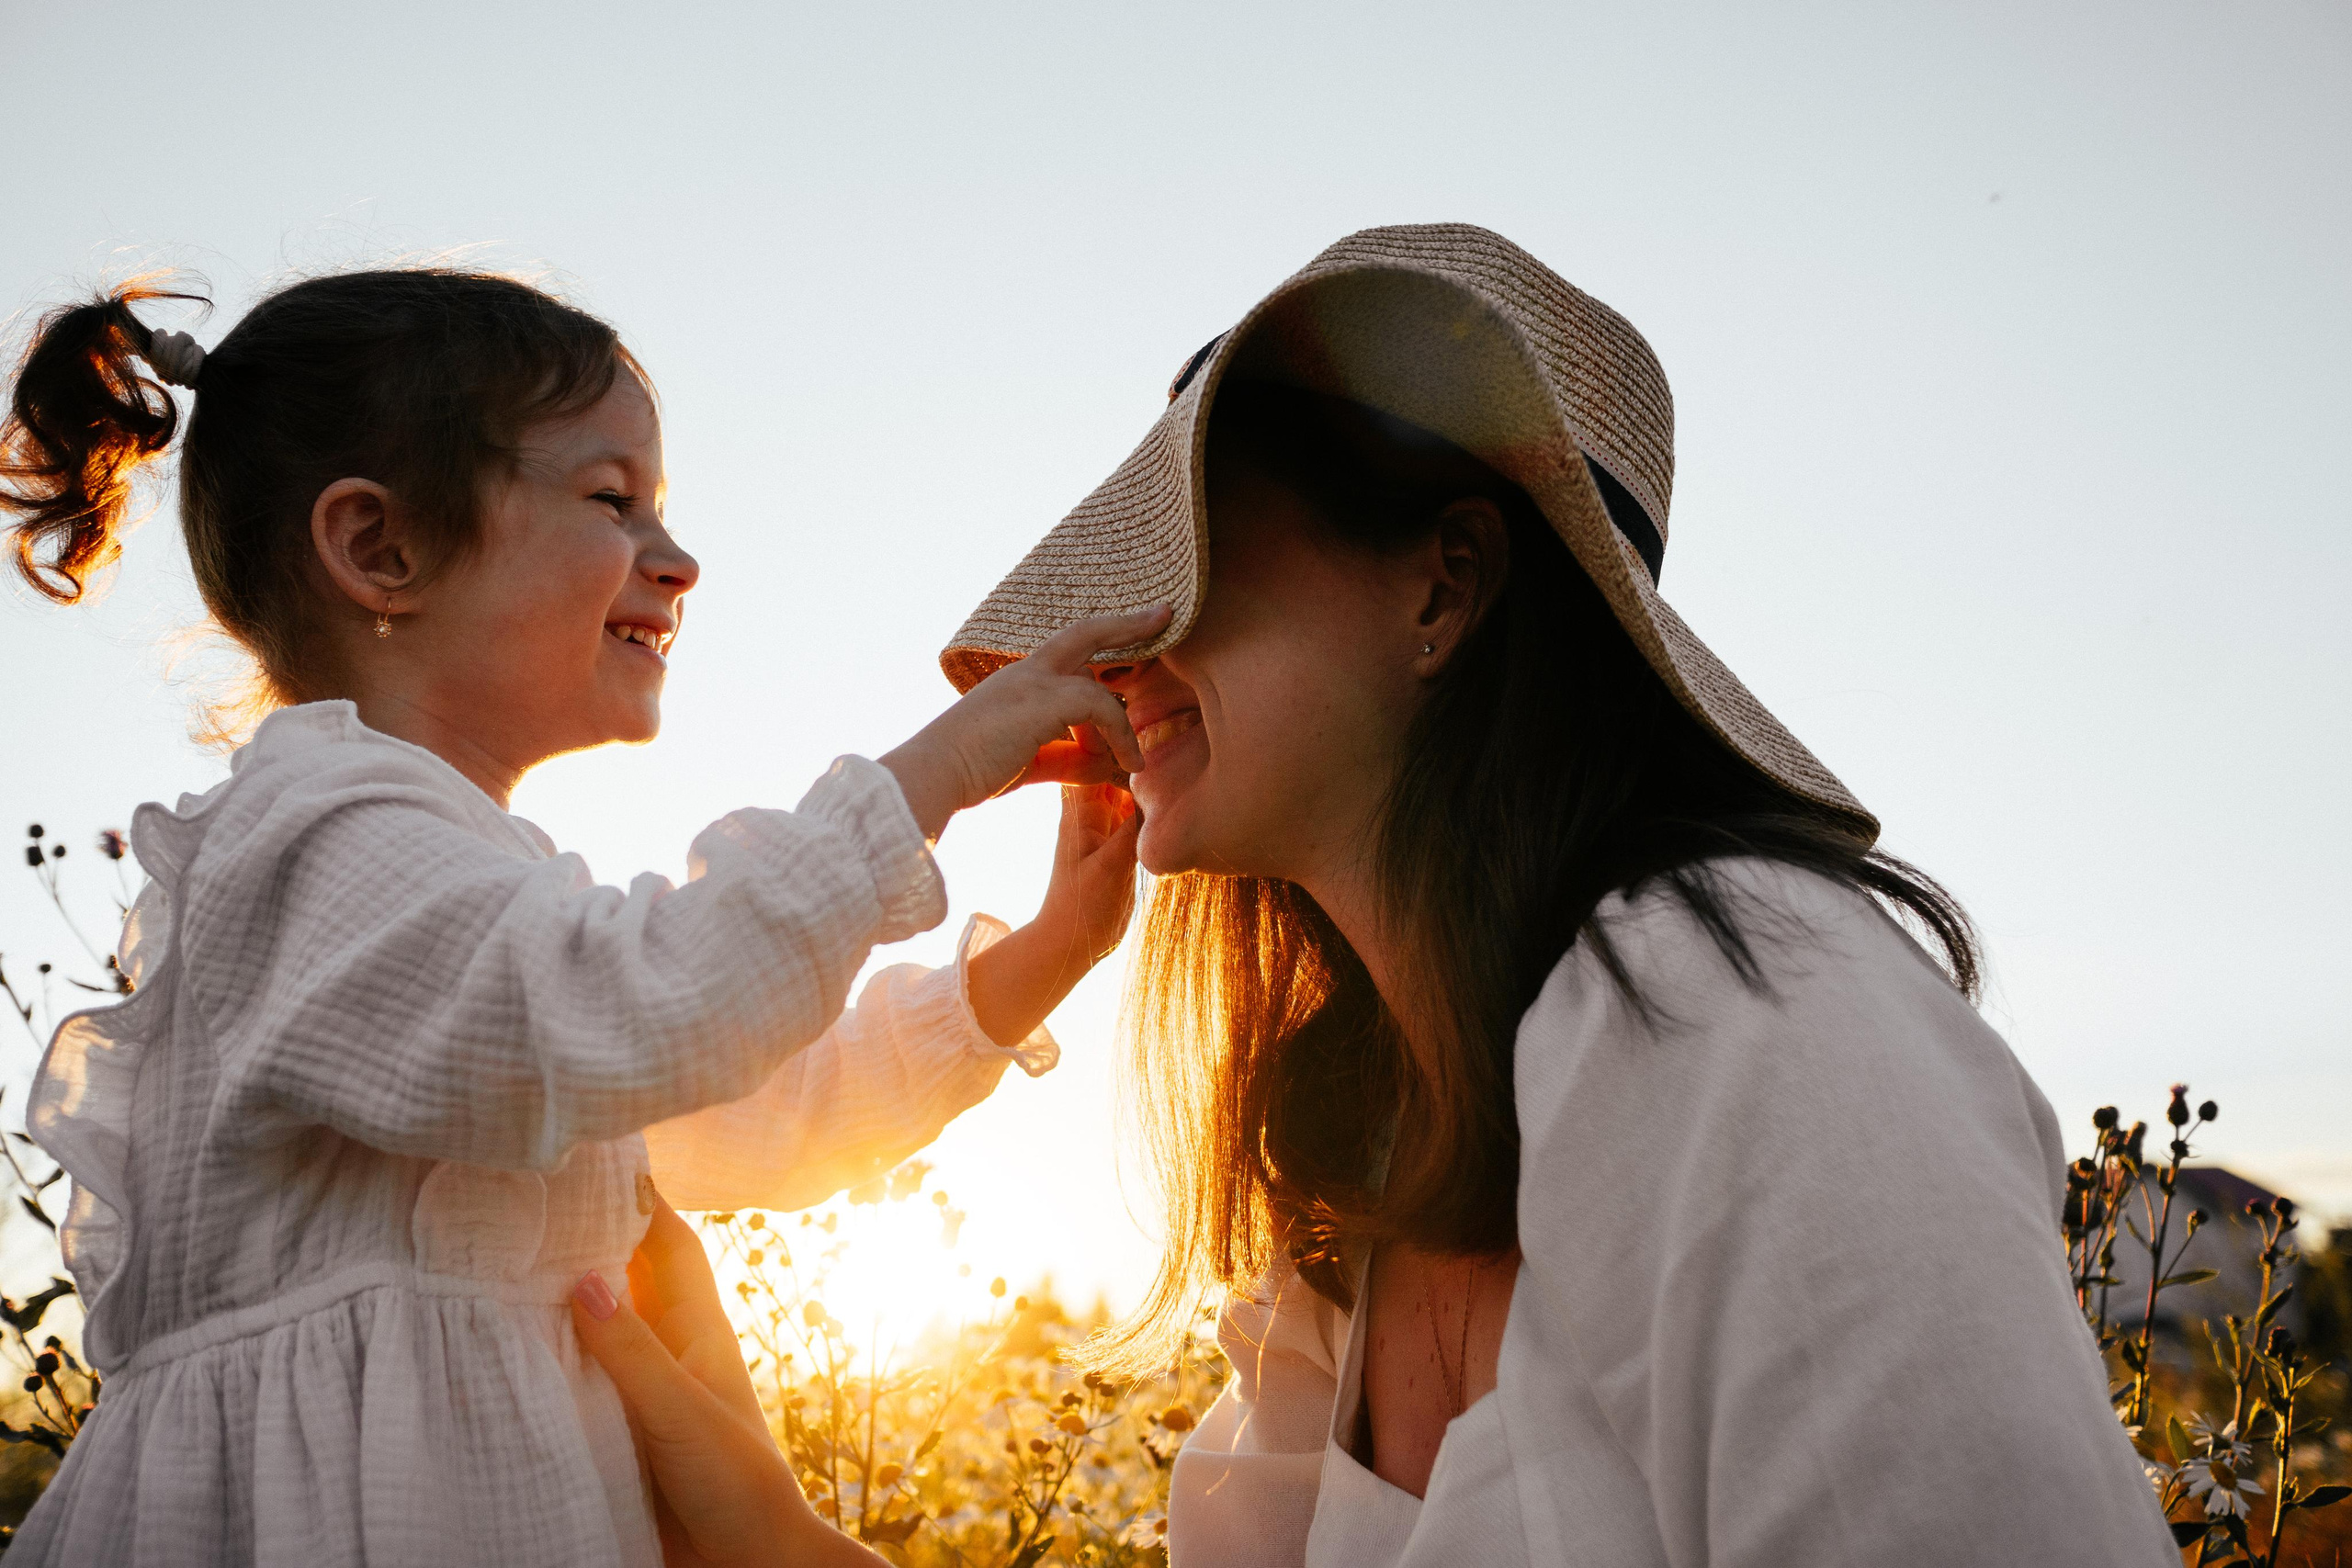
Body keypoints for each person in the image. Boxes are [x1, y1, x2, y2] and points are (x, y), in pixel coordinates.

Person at [586, 224, 2181, 1566]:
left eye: (1192, 553)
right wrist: (771, 1531)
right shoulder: (1355, 1165)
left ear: (1442, 585)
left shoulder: (1746, 1007)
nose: (1127, 646)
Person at [0, 269, 1164, 1566]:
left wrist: (1044, 958)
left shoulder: (475, 894)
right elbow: (630, 1014)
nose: (679, 559)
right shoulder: (312, 839)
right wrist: (926, 778)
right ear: (379, 548)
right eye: (614, 501)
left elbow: (742, 1106)